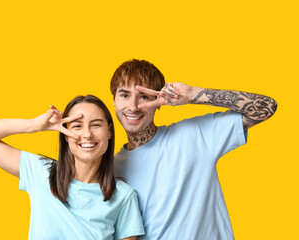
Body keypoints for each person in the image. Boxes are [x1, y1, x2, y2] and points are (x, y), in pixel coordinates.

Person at [110, 59, 277, 240]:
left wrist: (191, 94)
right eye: (124, 95)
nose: (133, 107)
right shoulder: (109, 168)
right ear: (114, 100)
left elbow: (266, 107)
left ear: (158, 101)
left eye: (143, 96)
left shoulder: (194, 136)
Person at [0, 95, 145, 240]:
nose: (87, 134)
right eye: (77, 126)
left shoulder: (123, 195)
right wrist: (34, 126)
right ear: (66, 136)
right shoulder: (41, 172)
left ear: (109, 132)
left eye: (96, 124)